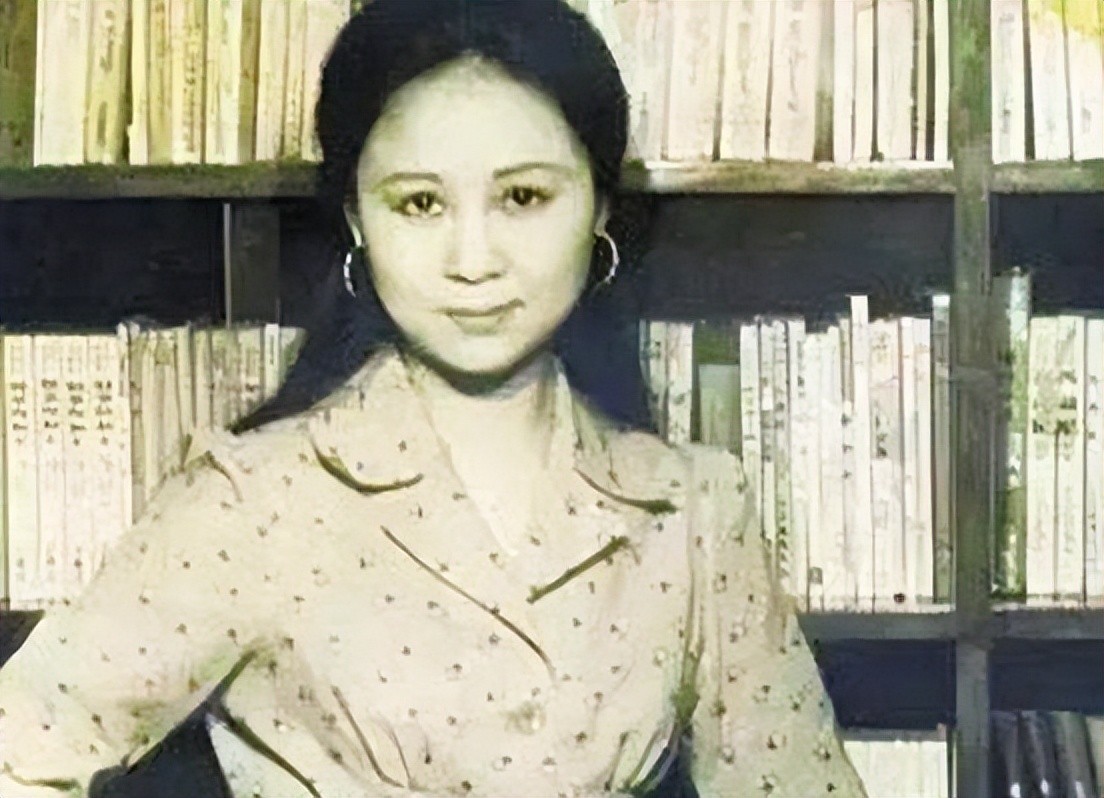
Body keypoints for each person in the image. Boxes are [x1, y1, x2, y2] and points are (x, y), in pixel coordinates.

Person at [0, 1, 869, 796]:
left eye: (523, 197)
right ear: (356, 220)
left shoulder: (694, 510)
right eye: (419, 203)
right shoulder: (253, 501)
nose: (473, 260)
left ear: (600, 208)